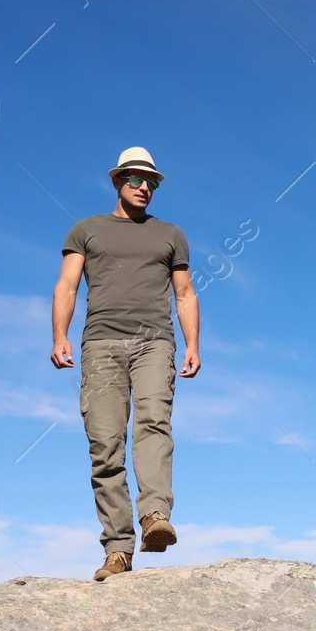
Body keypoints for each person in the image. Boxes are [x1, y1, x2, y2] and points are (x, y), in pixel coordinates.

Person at [50, 147, 200, 581]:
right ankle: (118, 550)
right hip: (100, 344)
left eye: (150, 181)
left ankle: (155, 514)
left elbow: (185, 293)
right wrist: (59, 335)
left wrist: (192, 344)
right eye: (135, 179)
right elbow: (67, 284)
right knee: (104, 444)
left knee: (153, 422)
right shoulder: (86, 229)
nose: (143, 187)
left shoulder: (171, 234)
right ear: (117, 181)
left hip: (155, 343)